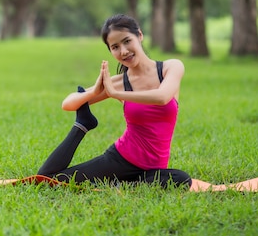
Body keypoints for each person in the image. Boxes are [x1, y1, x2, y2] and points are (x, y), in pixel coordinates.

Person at [36, 14, 192, 189]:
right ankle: (83, 124)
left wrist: (116, 93)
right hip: (120, 159)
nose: (123, 51)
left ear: (139, 35)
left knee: (181, 178)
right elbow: (68, 103)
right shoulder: (118, 83)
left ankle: (121, 186)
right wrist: (96, 91)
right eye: (115, 47)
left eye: (127, 41)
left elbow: (162, 97)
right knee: (48, 179)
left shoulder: (170, 67)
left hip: (154, 170)